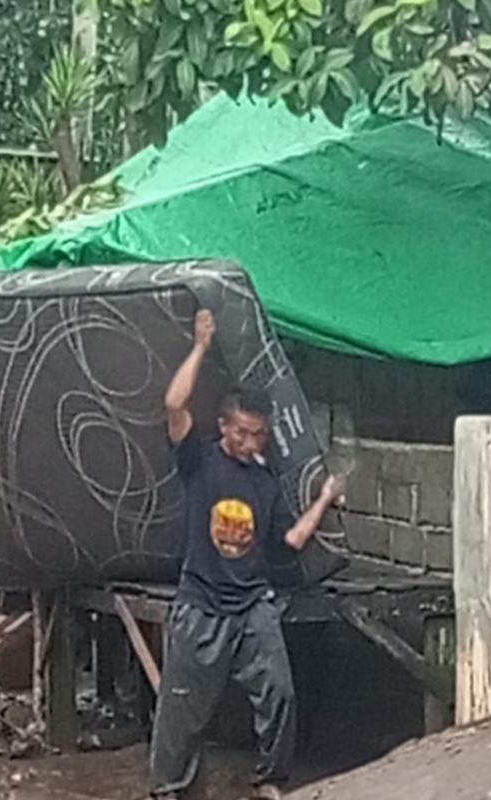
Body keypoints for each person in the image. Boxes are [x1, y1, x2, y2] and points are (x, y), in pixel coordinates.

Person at [149, 309, 345, 800]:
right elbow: (174, 402)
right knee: (181, 709)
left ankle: (270, 780)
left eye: (257, 433)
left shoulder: (264, 480)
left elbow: (293, 540)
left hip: (253, 604)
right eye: (239, 431)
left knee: (280, 692)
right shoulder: (198, 461)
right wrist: (199, 345)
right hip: (200, 603)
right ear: (223, 425)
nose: (248, 441)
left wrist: (322, 499)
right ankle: (169, 787)